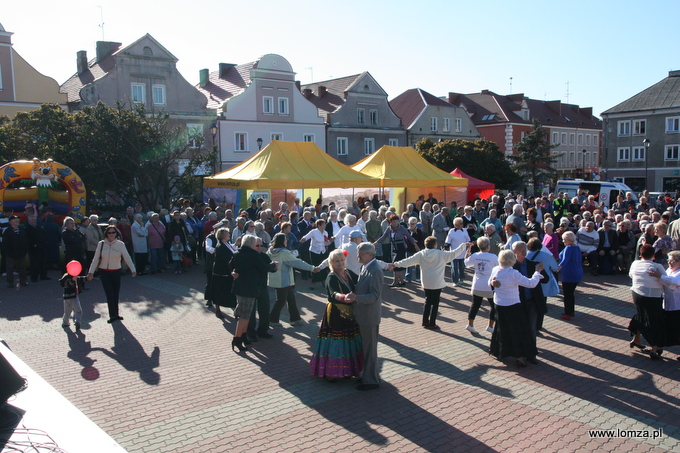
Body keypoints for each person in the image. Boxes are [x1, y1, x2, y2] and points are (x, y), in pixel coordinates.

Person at [310, 249, 364, 382]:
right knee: (338, 341)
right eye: (337, 261)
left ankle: (348, 370)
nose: (340, 263)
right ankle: (332, 372)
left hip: (350, 313)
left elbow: (358, 285)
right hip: (336, 313)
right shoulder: (331, 276)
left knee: (349, 340)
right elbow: (332, 293)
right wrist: (343, 297)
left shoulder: (348, 273)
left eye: (342, 260)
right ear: (331, 263)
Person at [393, 236, 469, 330]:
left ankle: (425, 320)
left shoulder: (421, 254)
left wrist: (395, 264)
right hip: (437, 282)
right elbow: (454, 254)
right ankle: (432, 323)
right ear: (435, 245)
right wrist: (463, 245)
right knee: (435, 303)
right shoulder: (441, 254)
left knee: (427, 301)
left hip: (426, 282)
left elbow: (408, 261)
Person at [488, 250, 545, 368]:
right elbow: (531, 284)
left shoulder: (496, 269)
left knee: (502, 329)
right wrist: (537, 272)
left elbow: (489, 281)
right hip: (512, 305)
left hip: (499, 304)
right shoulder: (513, 273)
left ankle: (500, 352)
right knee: (517, 331)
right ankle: (519, 357)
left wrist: (493, 283)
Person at [229, 235, 277, 353]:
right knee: (245, 316)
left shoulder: (237, 253)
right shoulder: (253, 255)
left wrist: (233, 272)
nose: (259, 247)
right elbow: (264, 267)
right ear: (251, 244)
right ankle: (237, 339)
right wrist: (274, 265)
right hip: (250, 289)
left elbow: (230, 266)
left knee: (245, 314)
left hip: (240, 287)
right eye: (256, 244)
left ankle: (243, 336)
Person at [346, 242, 383, 391]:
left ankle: (371, 380)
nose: (357, 256)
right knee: (366, 349)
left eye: (360, 253)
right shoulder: (366, 267)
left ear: (370, 255)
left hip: (369, 316)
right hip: (363, 315)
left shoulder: (376, 270)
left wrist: (357, 298)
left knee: (370, 350)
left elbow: (375, 296)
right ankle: (369, 376)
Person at [87, 225, 137, 323]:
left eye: (113, 232)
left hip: (116, 271)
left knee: (115, 293)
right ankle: (112, 315)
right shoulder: (101, 244)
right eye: (109, 233)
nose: (111, 235)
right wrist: (90, 272)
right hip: (104, 272)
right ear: (106, 234)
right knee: (109, 293)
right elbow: (95, 259)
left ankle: (116, 313)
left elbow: (127, 257)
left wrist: (133, 269)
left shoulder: (120, 244)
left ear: (116, 234)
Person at [268, 233, 318, 326]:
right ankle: (272, 319)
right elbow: (297, 263)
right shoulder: (284, 253)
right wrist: (311, 268)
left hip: (275, 279)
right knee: (281, 300)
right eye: (285, 240)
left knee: (291, 298)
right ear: (282, 241)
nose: (286, 241)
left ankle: (295, 318)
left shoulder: (270, 251)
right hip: (284, 280)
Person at [627, 244, 666, 360]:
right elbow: (666, 280)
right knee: (654, 321)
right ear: (653, 255)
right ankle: (654, 348)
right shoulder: (657, 266)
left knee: (640, 316)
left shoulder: (635, 263)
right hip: (652, 296)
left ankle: (636, 339)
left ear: (640, 254)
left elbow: (630, 275)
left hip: (637, 294)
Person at [464, 237, 498, 334]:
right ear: (488, 246)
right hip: (489, 285)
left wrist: (468, 251)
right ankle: (490, 326)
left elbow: (466, 263)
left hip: (477, 284)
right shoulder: (493, 257)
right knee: (493, 305)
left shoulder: (475, 255)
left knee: (475, 305)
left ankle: (470, 324)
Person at [374, 214, 419, 287]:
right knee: (398, 265)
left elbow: (409, 236)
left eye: (397, 221)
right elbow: (383, 237)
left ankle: (395, 281)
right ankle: (401, 281)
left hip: (401, 247)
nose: (395, 223)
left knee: (395, 264)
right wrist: (374, 244)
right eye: (394, 222)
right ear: (390, 222)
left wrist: (415, 245)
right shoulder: (389, 229)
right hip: (393, 247)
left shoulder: (401, 228)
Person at [657, 251, 680, 360]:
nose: (670, 263)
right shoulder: (669, 270)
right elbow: (668, 283)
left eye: (672, 261)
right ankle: (658, 347)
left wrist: (660, 277)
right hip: (667, 305)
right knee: (666, 327)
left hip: (677, 306)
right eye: (668, 260)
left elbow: (675, 282)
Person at [210, 227, 237, 318]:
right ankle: (218, 309)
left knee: (229, 291)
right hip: (221, 273)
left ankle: (234, 308)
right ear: (222, 236)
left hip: (226, 271)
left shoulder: (227, 243)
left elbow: (232, 252)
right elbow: (227, 259)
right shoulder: (220, 246)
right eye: (227, 233)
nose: (229, 235)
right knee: (219, 291)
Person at [300, 219, 331, 290]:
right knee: (315, 267)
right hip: (314, 252)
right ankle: (313, 283)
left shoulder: (325, 233)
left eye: (325, 224)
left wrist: (330, 241)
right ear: (319, 225)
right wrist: (303, 239)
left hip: (322, 251)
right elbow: (306, 237)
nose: (325, 225)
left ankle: (323, 281)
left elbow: (326, 243)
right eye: (323, 224)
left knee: (323, 267)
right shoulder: (313, 232)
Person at [2, 215, 29, 288]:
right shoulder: (7, 231)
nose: (17, 221)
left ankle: (23, 281)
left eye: (18, 220)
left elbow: (26, 240)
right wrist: (8, 252)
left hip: (21, 253)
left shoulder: (22, 229)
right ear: (11, 222)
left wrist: (24, 250)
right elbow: (5, 243)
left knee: (22, 267)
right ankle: (10, 282)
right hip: (11, 253)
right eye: (15, 220)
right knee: (10, 268)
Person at [445, 217, 470, 286]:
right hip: (454, 253)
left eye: (462, 223)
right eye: (461, 223)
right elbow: (448, 241)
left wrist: (468, 244)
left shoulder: (464, 231)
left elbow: (468, 239)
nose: (462, 224)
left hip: (463, 253)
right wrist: (445, 247)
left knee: (462, 267)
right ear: (456, 224)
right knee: (454, 268)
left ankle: (461, 279)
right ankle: (455, 281)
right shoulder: (452, 231)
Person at [25, 214, 50, 282]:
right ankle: (34, 277)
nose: (35, 221)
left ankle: (43, 275)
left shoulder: (38, 227)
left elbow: (43, 235)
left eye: (35, 220)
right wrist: (33, 245)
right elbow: (28, 239)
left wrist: (45, 242)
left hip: (42, 247)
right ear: (29, 221)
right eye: (33, 220)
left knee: (43, 262)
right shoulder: (27, 229)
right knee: (35, 263)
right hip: (34, 249)